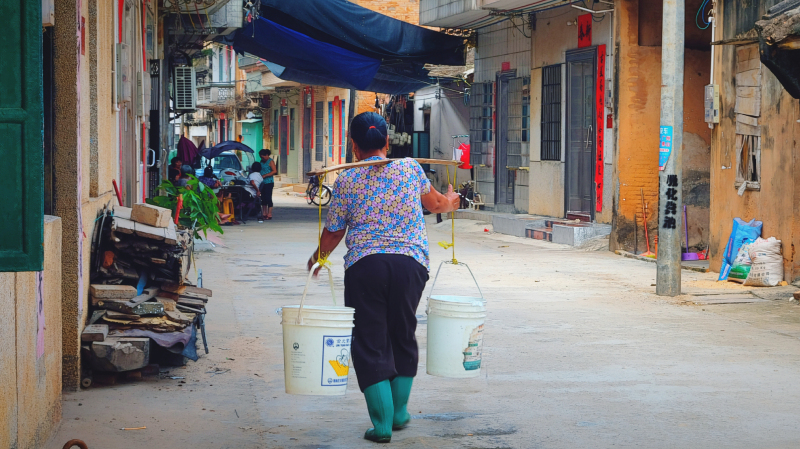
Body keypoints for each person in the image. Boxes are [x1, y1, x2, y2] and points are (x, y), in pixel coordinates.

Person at [306, 112, 459, 443]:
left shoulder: (345, 180)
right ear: (387, 142)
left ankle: (383, 424)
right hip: (410, 265)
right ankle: (400, 412)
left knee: (370, 341)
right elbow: (436, 205)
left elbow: (334, 232)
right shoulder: (410, 168)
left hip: (366, 268)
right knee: (402, 334)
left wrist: (317, 259)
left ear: (355, 146)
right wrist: (452, 200)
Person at [258, 149, 277, 220]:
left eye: (263, 157)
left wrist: (266, 175)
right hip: (262, 182)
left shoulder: (270, 161)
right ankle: (264, 213)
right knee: (263, 198)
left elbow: (274, 171)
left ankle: (269, 213)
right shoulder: (261, 162)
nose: (262, 158)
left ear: (267, 155)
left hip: (269, 182)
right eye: (261, 157)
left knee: (268, 197)